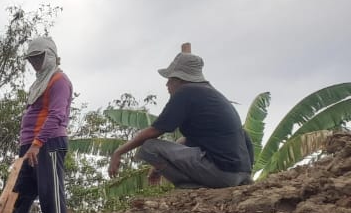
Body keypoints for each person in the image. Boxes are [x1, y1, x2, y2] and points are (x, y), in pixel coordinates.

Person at [108, 46, 253, 189]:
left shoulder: (186, 92)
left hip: (221, 175)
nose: (167, 84)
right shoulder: (211, 94)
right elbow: (187, 141)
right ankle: (241, 179)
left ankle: (189, 186)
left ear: (179, 79)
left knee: (149, 146)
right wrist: (159, 167)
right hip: (240, 174)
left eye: (170, 79)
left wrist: (118, 152)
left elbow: (154, 131)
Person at [7, 37, 72, 213]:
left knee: (49, 193)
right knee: (19, 194)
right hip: (29, 146)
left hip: (48, 143)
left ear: (50, 56)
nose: (35, 63)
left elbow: (56, 115)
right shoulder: (39, 83)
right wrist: (29, 145)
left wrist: (37, 143)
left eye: (39, 57)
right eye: (32, 59)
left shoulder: (59, 80)